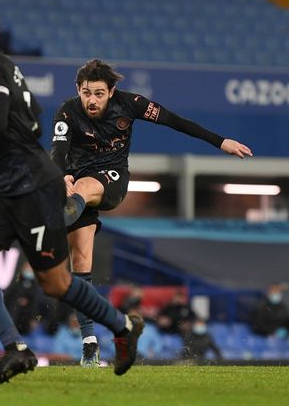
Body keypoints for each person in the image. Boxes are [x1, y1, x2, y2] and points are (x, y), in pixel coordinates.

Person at [0, 3, 144, 384]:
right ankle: (15, 349)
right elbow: (27, 125)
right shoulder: (10, 69)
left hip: (30, 186)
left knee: (57, 284)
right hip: (6, 184)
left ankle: (123, 327)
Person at [50, 58, 252, 367]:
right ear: (78, 89)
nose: (92, 100)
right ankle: (90, 347)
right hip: (76, 189)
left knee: (82, 188)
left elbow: (175, 121)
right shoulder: (67, 111)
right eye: (87, 93)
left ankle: (42, 227)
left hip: (110, 180)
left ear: (111, 91)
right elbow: (58, 152)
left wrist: (220, 141)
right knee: (81, 264)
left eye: (99, 94)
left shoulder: (131, 103)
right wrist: (61, 174)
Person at [4, 263, 40, 335]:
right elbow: (7, 298)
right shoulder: (16, 283)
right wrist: (17, 301)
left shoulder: (36, 287)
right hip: (13, 319)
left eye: (31, 269)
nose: (29, 271)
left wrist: (34, 318)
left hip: (26, 323)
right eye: (27, 268)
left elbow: (36, 304)